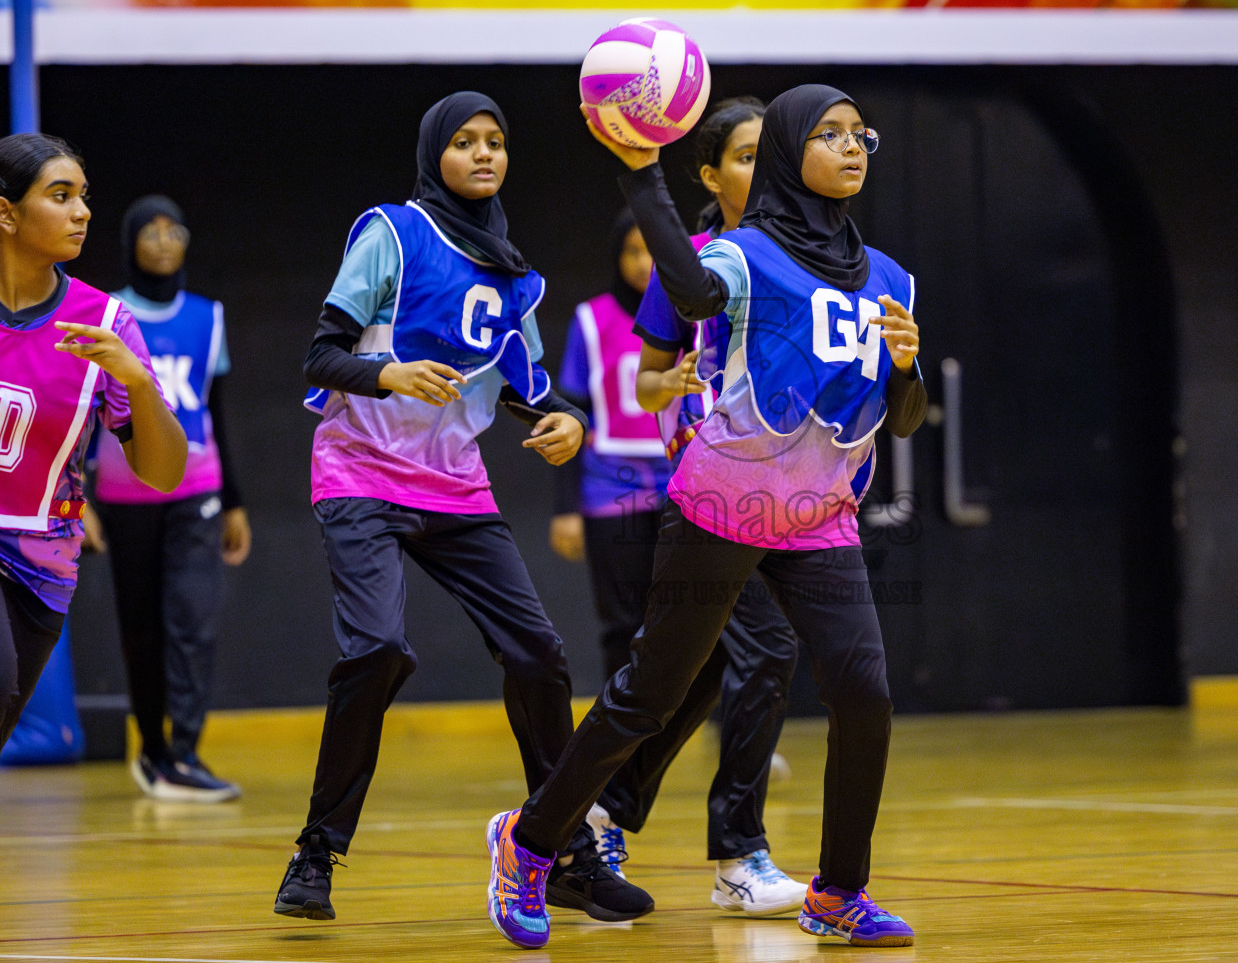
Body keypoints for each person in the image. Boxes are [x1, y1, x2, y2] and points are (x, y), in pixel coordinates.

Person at [486, 84, 925, 950]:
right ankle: (528, 841)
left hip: (819, 518)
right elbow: (686, 298)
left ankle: (837, 892)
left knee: (864, 695)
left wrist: (907, 371)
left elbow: (902, 418)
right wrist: (642, 177)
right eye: (828, 135)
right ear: (791, 150)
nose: (851, 147)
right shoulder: (742, 253)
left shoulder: (893, 277)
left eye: (859, 134)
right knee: (651, 694)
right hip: (719, 507)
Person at [273, 92, 652, 927]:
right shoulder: (392, 233)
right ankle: (316, 853)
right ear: (433, 153)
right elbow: (322, 353)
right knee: (376, 650)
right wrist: (388, 374)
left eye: (496, 142)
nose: (484, 154)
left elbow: (534, 389)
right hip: (361, 473)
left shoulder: (510, 269)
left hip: (453, 485)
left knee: (540, 655)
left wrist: (566, 421)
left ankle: (563, 855)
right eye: (465, 142)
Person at [552, 153, 804, 914]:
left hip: (770, 494)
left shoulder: (794, 263)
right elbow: (644, 384)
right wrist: (683, 385)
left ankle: (587, 813)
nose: (764, 170)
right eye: (747, 154)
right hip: (690, 491)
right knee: (752, 652)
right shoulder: (693, 269)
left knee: (690, 672)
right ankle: (737, 855)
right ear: (709, 173)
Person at [0, 133, 187, 752]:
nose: (82, 212)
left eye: (83, 197)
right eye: (60, 196)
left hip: (39, 571)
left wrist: (137, 382)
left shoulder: (105, 325)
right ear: (6, 213)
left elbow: (162, 473)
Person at [88, 194, 251, 802]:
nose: (162, 240)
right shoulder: (105, 314)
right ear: (129, 242)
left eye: (172, 229)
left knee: (193, 618)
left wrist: (233, 500)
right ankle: (152, 752)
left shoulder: (209, 316)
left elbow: (215, 412)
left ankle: (183, 752)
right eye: (148, 231)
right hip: (125, 490)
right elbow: (83, 411)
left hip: (198, 490)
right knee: (141, 626)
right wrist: (81, 500)